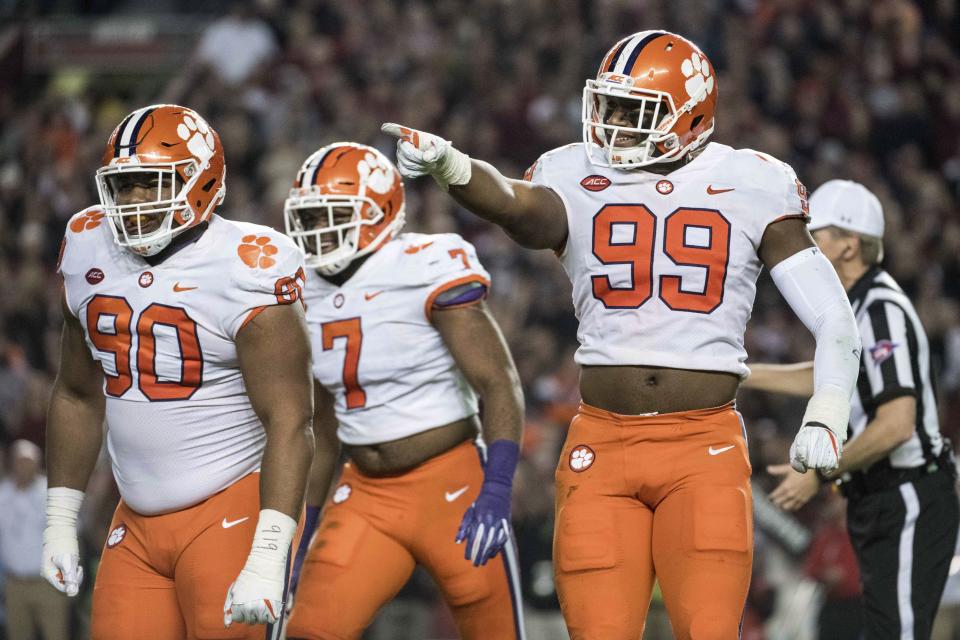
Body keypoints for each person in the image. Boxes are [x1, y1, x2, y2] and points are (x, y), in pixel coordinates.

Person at [381, 30, 862, 639]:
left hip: (703, 445)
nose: (611, 125)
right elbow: (516, 207)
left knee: (708, 632)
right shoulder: (573, 172)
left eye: (633, 111)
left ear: (688, 114)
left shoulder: (751, 181)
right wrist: (455, 166)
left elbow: (832, 315)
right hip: (600, 442)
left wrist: (828, 408)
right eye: (607, 106)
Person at [41, 104, 315, 639]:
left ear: (201, 181)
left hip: (231, 506)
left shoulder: (248, 264)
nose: (135, 201)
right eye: (124, 186)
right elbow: (76, 392)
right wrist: (60, 518)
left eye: (151, 183)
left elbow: (292, 422)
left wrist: (268, 552)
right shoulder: (86, 242)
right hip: (136, 523)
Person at [283, 142, 526, 640]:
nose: (317, 231)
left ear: (380, 212)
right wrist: (303, 525)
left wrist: (497, 487)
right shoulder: (302, 288)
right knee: (309, 628)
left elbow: (499, 382)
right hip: (366, 489)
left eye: (332, 215)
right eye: (308, 218)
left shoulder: (423, 263)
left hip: (451, 481)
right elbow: (322, 426)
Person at [743, 179, 960, 640]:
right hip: (886, 494)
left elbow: (897, 423)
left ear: (849, 245)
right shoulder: (858, 306)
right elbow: (829, 374)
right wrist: (741, 370)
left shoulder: (881, 308)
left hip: (907, 493)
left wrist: (821, 473)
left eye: (815, 236)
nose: (805, 248)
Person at [0, 440, 69, 640]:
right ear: (12, 463)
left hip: (47, 584)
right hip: (14, 584)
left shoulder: (51, 493)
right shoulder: (3, 494)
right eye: (19, 461)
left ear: (37, 464)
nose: (23, 467)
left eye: (28, 461)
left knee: (55, 634)